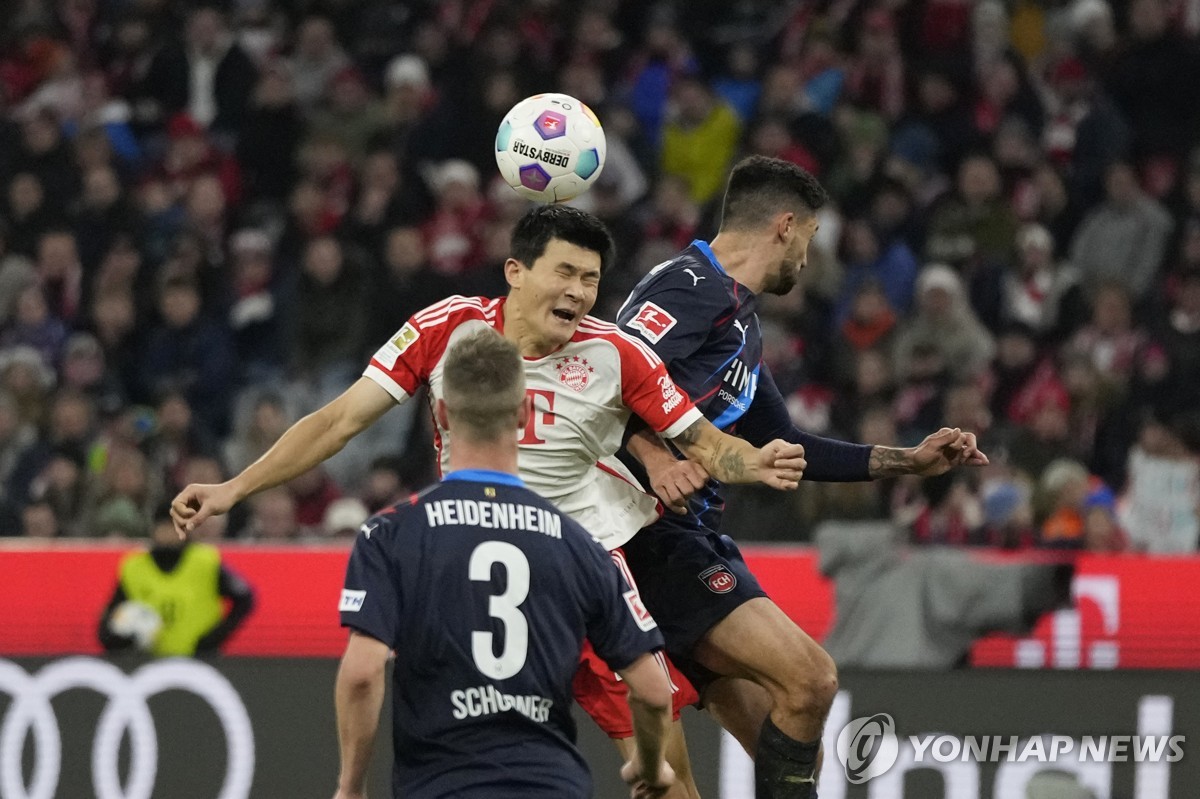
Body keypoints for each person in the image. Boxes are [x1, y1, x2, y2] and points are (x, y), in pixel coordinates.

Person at [172, 204, 807, 797]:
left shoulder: (617, 352)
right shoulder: (446, 327)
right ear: (515, 272)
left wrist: (751, 460)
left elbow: (701, 441)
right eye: (565, 272)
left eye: (590, 279)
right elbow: (339, 421)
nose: (579, 293)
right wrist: (234, 488)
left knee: (665, 777)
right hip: (470, 559)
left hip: (582, 568)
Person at [615, 155, 988, 798]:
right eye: (811, 239)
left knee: (779, 754)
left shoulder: (742, 324)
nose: (809, 260)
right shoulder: (687, 287)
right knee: (810, 679)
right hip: (647, 540)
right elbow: (606, 382)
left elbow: (787, 446)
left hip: (688, 537)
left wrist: (909, 459)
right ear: (785, 227)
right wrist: (655, 459)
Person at [331, 331, 674, 799]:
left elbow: (361, 673)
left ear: (444, 414)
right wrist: (652, 769)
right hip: (552, 784)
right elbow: (654, 691)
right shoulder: (581, 545)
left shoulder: (391, 534)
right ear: (523, 414)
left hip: (441, 785)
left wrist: (351, 787)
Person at [98, 505, 254, 656]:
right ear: (153, 529)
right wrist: (117, 641)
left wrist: (213, 639)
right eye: (163, 527)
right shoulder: (134, 566)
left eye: (174, 527)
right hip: (149, 661)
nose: (168, 533)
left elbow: (245, 599)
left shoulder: (205, 561)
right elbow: (111, 616)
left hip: (198, 660)